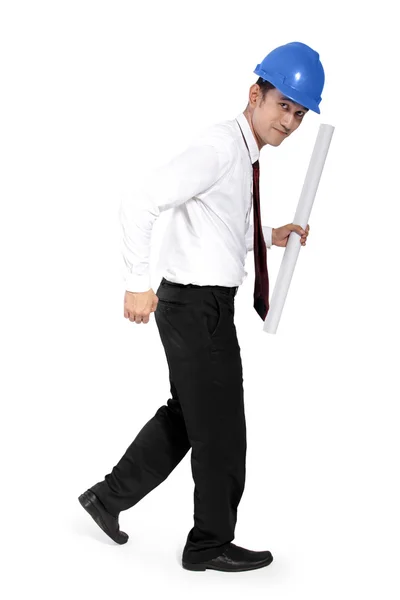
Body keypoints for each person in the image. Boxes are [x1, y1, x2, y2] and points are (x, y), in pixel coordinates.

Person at [78, 41, 325, 572]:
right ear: (255, 94)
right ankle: (208, 545)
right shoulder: (218, 147)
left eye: (300, 114)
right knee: (222, 431)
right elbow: (140, 199)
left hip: (204, 304)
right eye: (283, 105)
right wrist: (135, 282)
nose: (290, 121)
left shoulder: (243, 153)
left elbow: (217, 221)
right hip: (193, 306)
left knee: (189, 417)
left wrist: (268, 234)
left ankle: (107, 498)